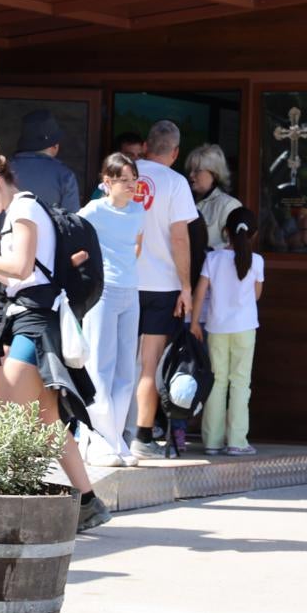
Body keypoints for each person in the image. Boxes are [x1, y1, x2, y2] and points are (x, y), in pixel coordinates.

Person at [0, 143, 111, 532]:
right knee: (46, 422)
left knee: (10, 419)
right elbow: (21, 273)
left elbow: (20, 268)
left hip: (34, 321)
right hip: (36, 318)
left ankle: (8, 509)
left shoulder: (22, 208)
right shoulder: (21, 210)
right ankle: (88, 502)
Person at [129, 119, 198, 458]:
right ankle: (141, 436)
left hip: (123, 280)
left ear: (145, 144)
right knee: (149, 361)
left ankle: (109, 432)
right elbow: (180, 236)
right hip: (161, 284)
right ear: (175, 152)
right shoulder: (175, 182)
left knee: (115, 359)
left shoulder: (122, 174)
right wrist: (186, 287)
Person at [78, 153, 146, 467]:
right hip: (102, 293)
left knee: (125, 370)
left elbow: (137, 244)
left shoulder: (138, 210)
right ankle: (96, 438)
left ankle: (115, 438)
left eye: (134, 180)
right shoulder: (94, 210)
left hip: (130, 291)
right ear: (107, 182)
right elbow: (72, 236)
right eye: (125, 180)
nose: (132, 186)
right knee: (99, 367)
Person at [192, 207, 264, 456]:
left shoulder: (212, 259)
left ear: (226, 232)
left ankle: (212, 441)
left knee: (217, 382)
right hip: (245, 329)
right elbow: (256, 295)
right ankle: (237, 441)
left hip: (216, 327)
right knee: (241, 383)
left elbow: (200, 292)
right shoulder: (257, 261)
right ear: (253, 235)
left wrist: (193, 323)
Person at [0, 109, 81, 238]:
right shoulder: (65, 176)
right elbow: (73, 230)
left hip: (8, 255)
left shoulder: (0, 173)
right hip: (50, 257)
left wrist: (6, 242)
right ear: (55, 146)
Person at [186, 143, 241, 252]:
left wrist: (207, 252)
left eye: (197, 170)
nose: (191, 175)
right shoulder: (184, 201)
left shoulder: (228, 205)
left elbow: (232, 245)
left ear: (214, 174)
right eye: (190, 170)